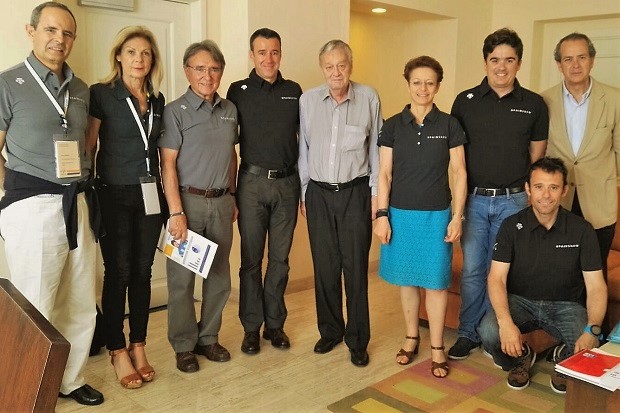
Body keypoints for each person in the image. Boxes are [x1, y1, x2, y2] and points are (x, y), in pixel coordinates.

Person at [0, 2, 104, 405]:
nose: (59, 39)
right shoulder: (8, 83)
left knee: (79, 298)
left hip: (76, 202)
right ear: (31, 32)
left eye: (67, 33)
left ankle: (71, 379)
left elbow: (86, 143)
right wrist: (13, 194)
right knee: (36, 301)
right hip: (32, 204)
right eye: (50, 30)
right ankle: (26, 387)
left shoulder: (81, 90)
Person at [448, 28, 549, 360]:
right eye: (495, 60)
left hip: (514, 203)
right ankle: (467, 333)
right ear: (485, 62)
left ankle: (494, 335)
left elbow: (537, 156)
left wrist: (529, 194)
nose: (501, 67)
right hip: (474, 201)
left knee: (504, 270)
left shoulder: (534, 104)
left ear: (519, 63)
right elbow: (456, 157)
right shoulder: (465, 101)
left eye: (509, 60)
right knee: (475, 269)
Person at [479, 157, 607, 393]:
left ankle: (563, 357)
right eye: (539, 187)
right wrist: (506, 323)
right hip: (520, 302)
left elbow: (596, 286)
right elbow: (496, 278)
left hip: (567, 305)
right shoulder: (510, 226)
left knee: (592, 344)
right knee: (488, 330)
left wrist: (592, 328)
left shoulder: (582, 230)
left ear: (564, 190)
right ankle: (520, 358)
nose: (546, 195)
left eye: (553, 187)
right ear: (528, 188)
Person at [374, 56, 467, 378]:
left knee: (437, 284)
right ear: (408, 84)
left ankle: (438, 347)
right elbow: (384, 174)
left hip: (437, 216)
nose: (423, 88)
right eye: (417, 82)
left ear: (438, 86)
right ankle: (412, 337)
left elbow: (459, 171)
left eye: (430, 82)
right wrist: (381, 215)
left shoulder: (450, 124)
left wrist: (457, 217)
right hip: (400, 215)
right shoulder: (392, 125)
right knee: (407, 280)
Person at [86, 26, 166, 389]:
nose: (139, 59)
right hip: (114, 195)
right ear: (119, 56)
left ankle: (138, 344)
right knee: (118, 273)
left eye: (146, 53)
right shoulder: (101, 94)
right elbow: (89, 148)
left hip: (150, 196)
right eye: (132, 52)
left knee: (143, 271)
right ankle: (117, 349)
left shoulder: (158, 99)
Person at [299, 39, 381, 367]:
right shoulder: (307, 101)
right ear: (322, 68)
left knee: (355, 267)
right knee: (325, 267)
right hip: (318, 193)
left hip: (356, 192)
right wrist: (305, 192)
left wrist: (377, 196)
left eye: (342, 65)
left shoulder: (369, 98)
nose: (336, 72)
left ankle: (358, 340)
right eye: (329, 66)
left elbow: (377, 149)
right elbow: (303, 150)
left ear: (351, 65)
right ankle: (330, 330)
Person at [159, 40, 238, 373]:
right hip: (187, 205)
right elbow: (168, 164)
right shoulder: (175, 111)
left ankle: (208, 339)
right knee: (181, 280)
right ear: (187, 70)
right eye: (200, 68)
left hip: (221, 203)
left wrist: (232, 196)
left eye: (215, 69)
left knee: (219, 276)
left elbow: (232, 156)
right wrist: (175, 212)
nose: (208, 75)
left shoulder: (230, 109)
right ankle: (183, 345)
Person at [226, 28, 302, 354]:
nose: (268, 59)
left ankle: (275, 325)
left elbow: (307, 140)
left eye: (274, 52)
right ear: (251, 55)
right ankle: (251, 328)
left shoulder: (295, 91)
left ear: (280, 54)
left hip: (287, 184)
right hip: (251, 184)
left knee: (280, 260)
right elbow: (226, 143)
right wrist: (230, 192)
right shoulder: (237, 90)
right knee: (251, 262)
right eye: (261, 52)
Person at [542, 32, 620, 282]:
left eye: (581, 57)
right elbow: (540, 151)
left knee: (596, 274)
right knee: (560, 272)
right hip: (558, 199)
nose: (575, 65)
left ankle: (596, 323)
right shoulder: (543, 101)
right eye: (568, 59)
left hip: (599, 201)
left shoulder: (615, 99)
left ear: (592, 60)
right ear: (559, 64)